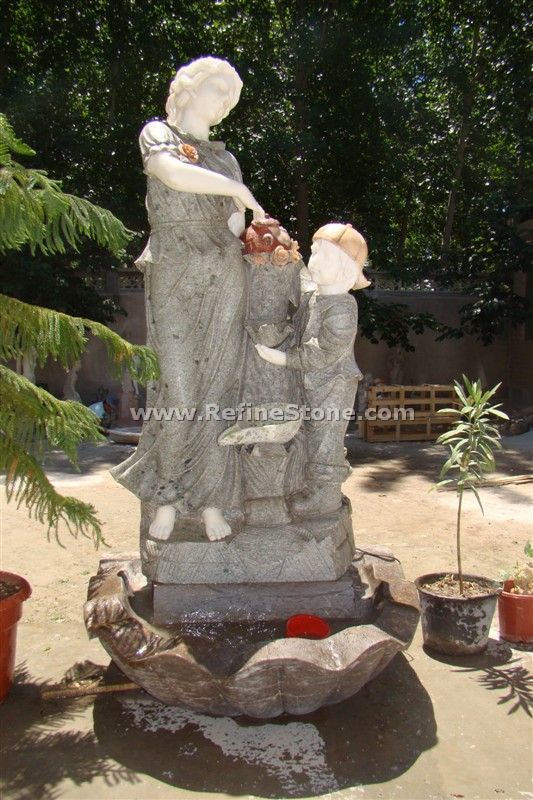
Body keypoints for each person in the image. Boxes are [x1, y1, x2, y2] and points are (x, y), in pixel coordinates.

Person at [111, 57, 265, 545]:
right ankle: (166, 497)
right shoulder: (157, 133)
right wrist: (237, 190)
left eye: (230, 96)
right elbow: (170, 173)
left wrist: (253, 234)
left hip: (223, 271)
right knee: (177, 392)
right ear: (187, 89)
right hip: (176, 263)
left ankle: (212, 502)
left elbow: (234, 227)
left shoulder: (225, 157)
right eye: (216, 89)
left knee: (219, 392)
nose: (222, 100)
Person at [256, 223, 368, 516]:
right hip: (310, 382)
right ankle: (312, 487)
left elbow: (325, 351)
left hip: (333, 385)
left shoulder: (343, 306)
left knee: (326, 440)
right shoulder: (315, 298)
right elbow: (300, 325)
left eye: (323, 256)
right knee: (309, 434)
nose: (313, 261)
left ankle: (326, 496)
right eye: (313, 252)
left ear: (345, 266)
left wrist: (282, 358)